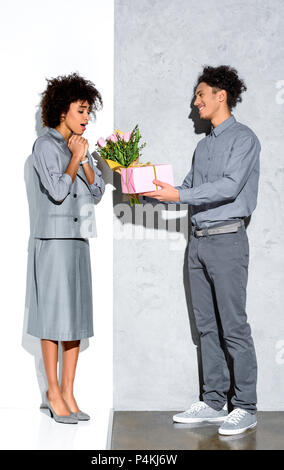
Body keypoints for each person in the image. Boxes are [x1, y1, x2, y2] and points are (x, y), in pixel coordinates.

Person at [141, 65, 260, 436]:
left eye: (200, 95)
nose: (196, 104)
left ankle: (246, 406)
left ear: (220, 96)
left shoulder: (244, 139)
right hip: (198, 244)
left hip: (227, 240)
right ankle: (213, 401)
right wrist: (150, 183)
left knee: (233, 327)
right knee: (206, 327)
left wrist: (179, 193)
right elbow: (188, 188)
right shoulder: (203, 146)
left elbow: (228, 187)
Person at [25, 72, 105, 424]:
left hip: (78, 241)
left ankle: (69, 391)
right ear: (63, 110)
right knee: (54, 319)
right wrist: (74, 157)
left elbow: (98, 193)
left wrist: (85, 159)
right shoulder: (44, 146)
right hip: (53, 243)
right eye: (82, 110)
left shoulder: (81, 147)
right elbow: (57, 191)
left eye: (88, 111)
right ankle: (52, 393)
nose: (87, 118)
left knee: (75, 320)